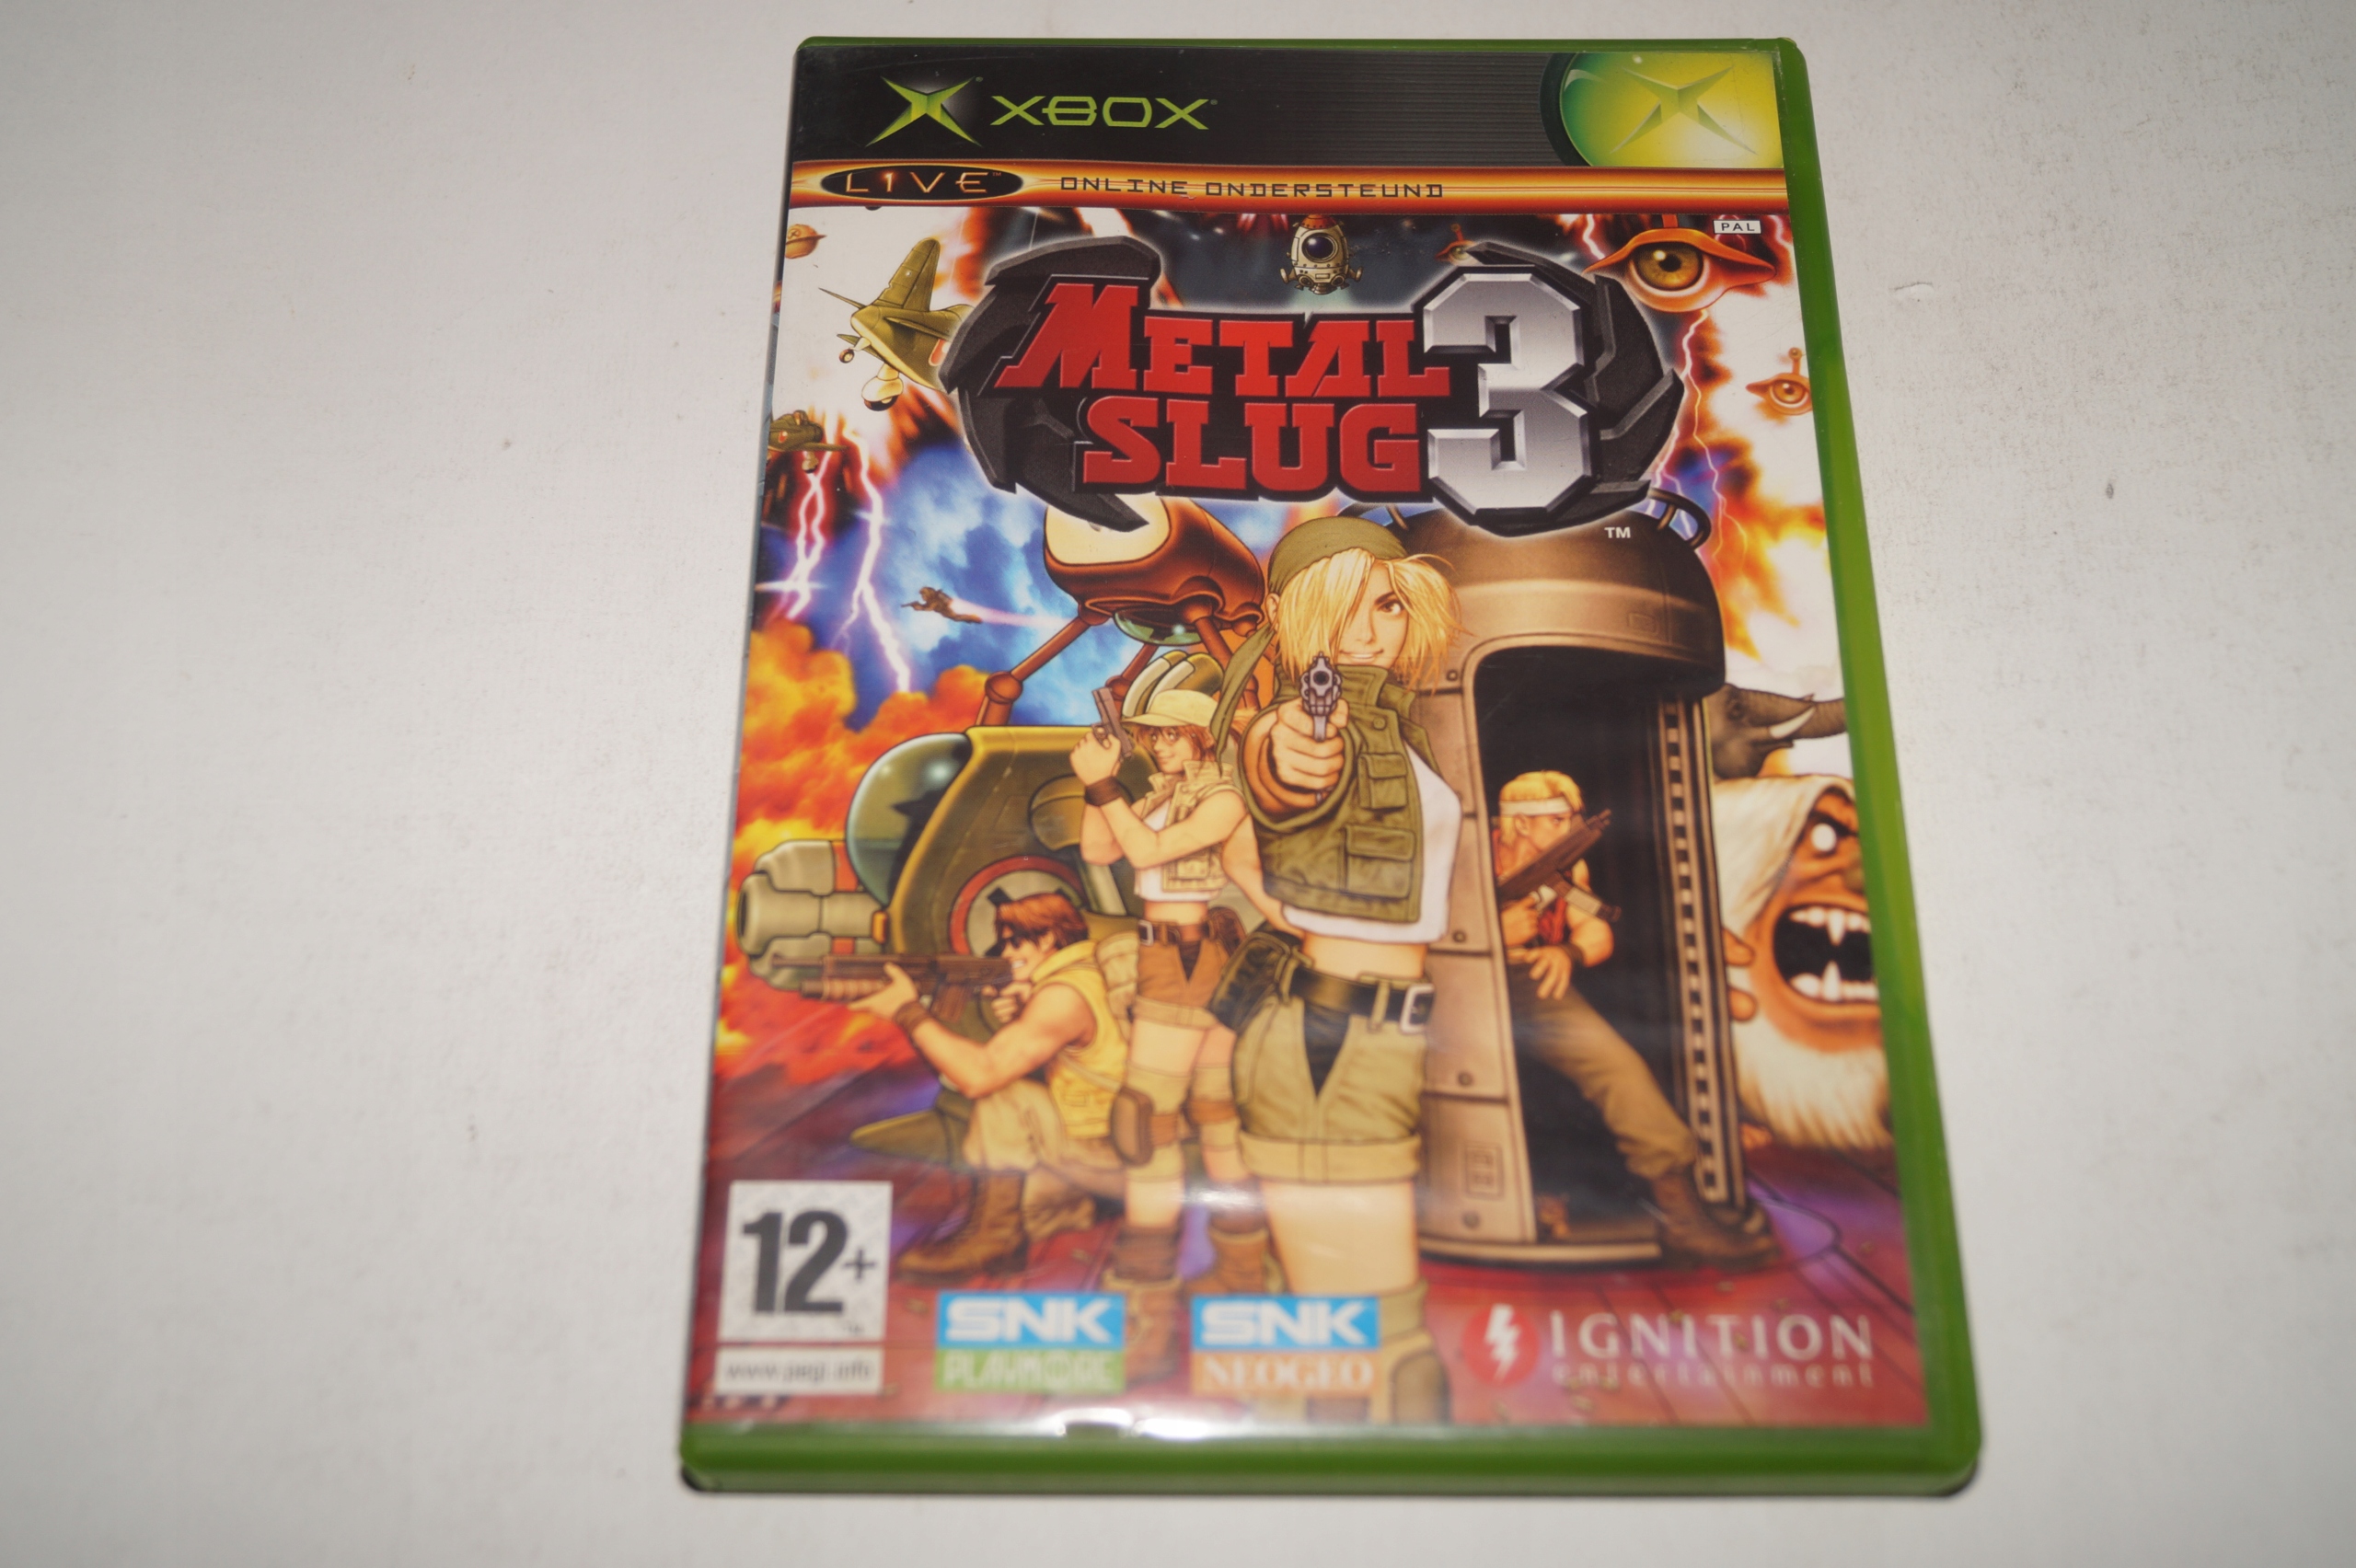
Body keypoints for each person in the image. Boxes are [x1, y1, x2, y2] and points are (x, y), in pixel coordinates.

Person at [1204, 515, 1464, 1424]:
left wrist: (1275, 896)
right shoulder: (1306, 722)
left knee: (1354, 1332)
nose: (1366, 630)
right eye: (1341, 605)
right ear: (1289, 616)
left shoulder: (1396, 727)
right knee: (1375, 1343)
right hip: (1332, 1042)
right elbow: (1287, 762)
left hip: (1370, 1036)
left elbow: (1261, 850)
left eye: (1386, 605)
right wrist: (1289, 752)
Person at [1491, 770, 1779, 1268]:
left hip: (1530, 979)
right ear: (1520, 824)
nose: (1570, 830)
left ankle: (1682, 1219)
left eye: (1573, 819)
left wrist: (1566, 952)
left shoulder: (1566, 870)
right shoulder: (1466, 855)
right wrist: (1494, 933)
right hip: (1457, 983)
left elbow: (1598, 932)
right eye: (1558, 820)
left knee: (1618, 1068)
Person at [1068, 687, 1270, 1382]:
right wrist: (1098, 783)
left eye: (1173, 734)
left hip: (1187, 959)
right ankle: (1241, 1278)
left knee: (1146, 1122)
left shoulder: (1222, 798)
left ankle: (1145, 1313)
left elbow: (1150, 849)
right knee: (1214, 1115)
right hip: (1174, 956)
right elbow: (1099, 848)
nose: (1160, 745)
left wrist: (1105, 786)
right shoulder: (1160, 793)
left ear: (1203, 737)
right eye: (1154, 735)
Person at [848, 892, 1126, 1284]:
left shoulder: (1063, 995)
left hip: (1108, 1152)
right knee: (1024, 1208)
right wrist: (1027, 1011)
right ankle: (1088, 1204)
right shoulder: (1089, 972)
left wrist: (907, 1011)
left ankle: (995, 1240)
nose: (1006, 954)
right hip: (1123, 1139)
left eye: (1015, 942)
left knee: (1002, 1096)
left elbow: (980, 1077)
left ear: (1048, 938)